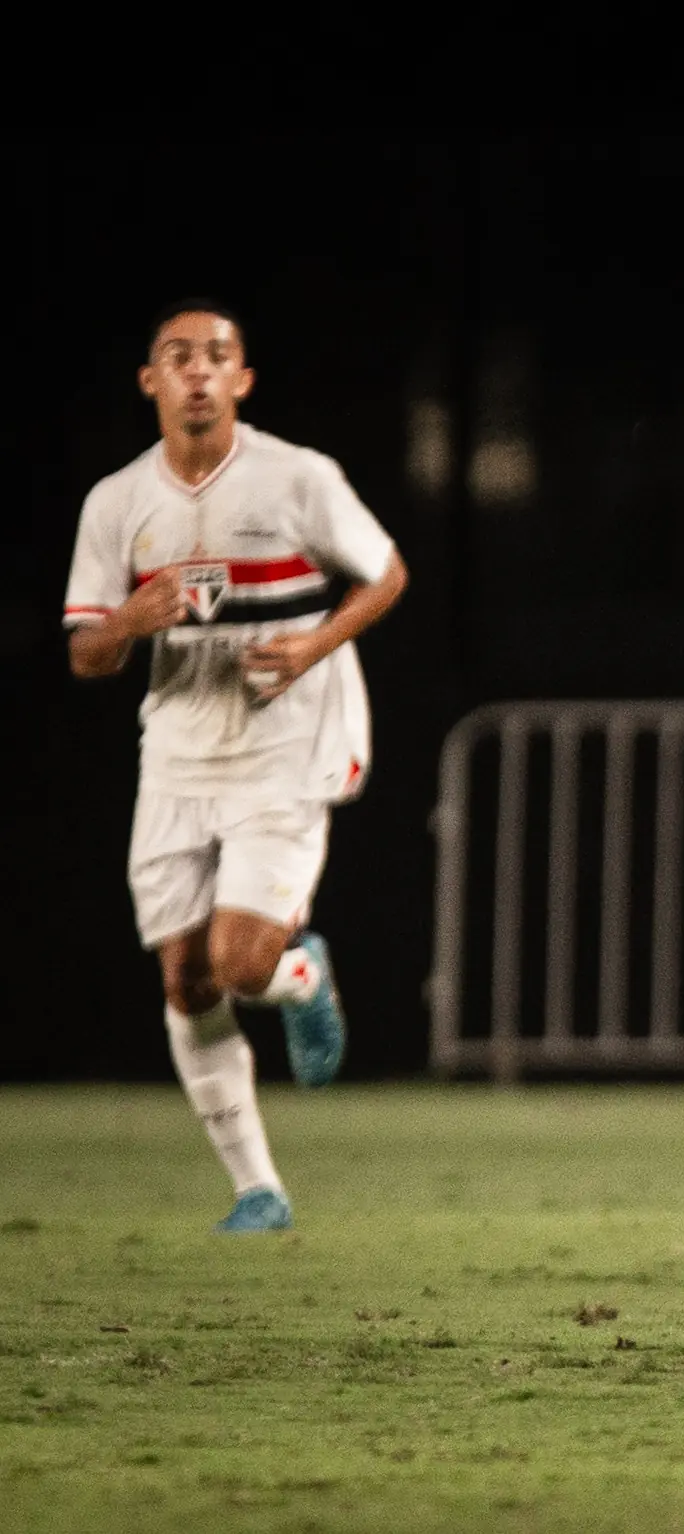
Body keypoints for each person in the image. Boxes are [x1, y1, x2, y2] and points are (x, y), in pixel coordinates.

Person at [63, 301, 408, 1232]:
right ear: (151, 380)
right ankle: (258, 1189)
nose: (198, 371)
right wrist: (128, 622)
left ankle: (297, 975)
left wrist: (313, 647)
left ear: (242, 379)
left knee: (240, 963)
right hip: (179, 754)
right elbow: (87, 655)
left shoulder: (298, 477)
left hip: (283, 746)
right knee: (185, 981)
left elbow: (385, 573)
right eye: (179, 357)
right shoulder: (116, 502)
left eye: (216, 355)